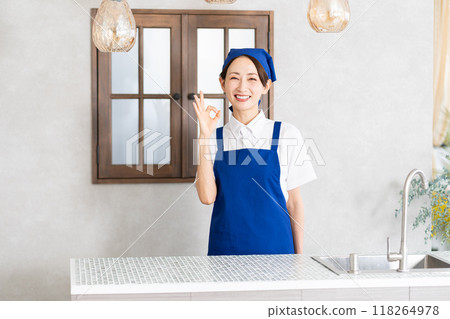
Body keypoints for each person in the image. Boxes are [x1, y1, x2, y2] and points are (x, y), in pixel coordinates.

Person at [193, 48, 317, 256]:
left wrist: (299, 259)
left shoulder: (285, 134)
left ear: (266, 85)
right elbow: (207, 197)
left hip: (277, 253)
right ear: (222, 83)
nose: (242, 87)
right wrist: (204, 136)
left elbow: (294, 203)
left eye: (252, 79)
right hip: (226, 253)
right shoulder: (214, 138)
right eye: (234, 78)